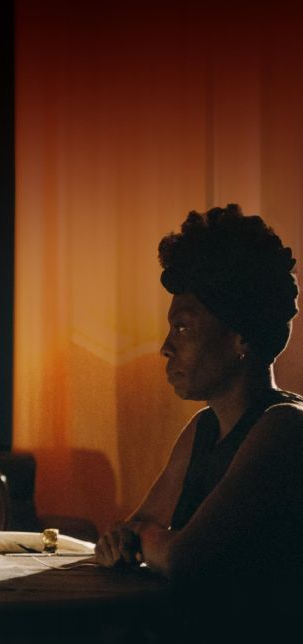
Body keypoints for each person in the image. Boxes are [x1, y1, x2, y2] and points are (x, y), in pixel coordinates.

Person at [96, 204, 303, 579]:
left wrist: (144, 539)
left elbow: (183, 558)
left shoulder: (284, 427)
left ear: (241, 337)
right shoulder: (204, 428)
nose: (166, 348)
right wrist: (133, 538)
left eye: (183, 328)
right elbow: (132, 531)